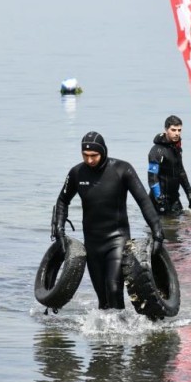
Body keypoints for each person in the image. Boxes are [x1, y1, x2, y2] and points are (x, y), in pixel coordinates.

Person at [53, 131, 163, 310]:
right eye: (85, 155)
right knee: (102, 298)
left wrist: (157, 232)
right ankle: (109, 328)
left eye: (94, 155)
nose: (89, 160)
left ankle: (121, 326)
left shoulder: (122, 169)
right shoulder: (76, 173)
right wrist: (59, 229)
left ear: (103, 151)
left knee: (113, 289)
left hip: (117, 239)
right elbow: (62, 201)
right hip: (92, 243)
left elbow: (144, 201)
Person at [148, 115, 191, 215]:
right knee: (164, 224)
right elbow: (152, 178)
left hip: (174, 199)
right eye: (173, 130)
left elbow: (181, 173)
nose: (177, 133)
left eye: (179, 130)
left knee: (181, 223)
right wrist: (159, 200)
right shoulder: (157, 151)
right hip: (158, 201)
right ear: (166, 129)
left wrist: (190, 196)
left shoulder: (176, 148)